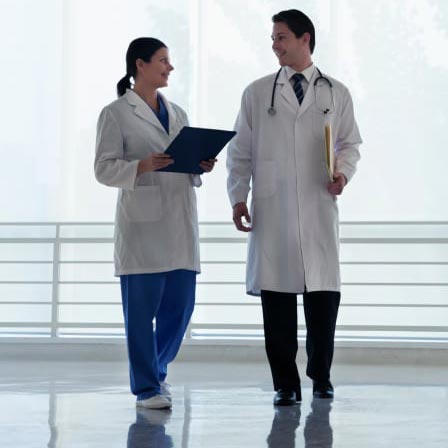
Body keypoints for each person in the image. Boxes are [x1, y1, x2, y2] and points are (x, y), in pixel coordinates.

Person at [227, 10, 362, 406]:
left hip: (319, 205)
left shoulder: (336, 92)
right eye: (273, 37)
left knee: (323, 301)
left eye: (282, 37)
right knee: (278, 305)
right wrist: (238, 197)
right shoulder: (256, 93)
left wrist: (344, 174)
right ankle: (285, 383)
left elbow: (350, 144)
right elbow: (240, 152)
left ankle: (321, 376)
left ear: (305, 39)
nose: (274, 44)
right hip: (274, 210)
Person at [95, 37, 215, 409]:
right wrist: (140, 166)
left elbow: (183, 161)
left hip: (178, 223)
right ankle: (146, 388)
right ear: (140, 65)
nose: (170, 67)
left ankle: (158, 369)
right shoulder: (115, 113)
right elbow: (103, 168)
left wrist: (200, 165)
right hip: (142, 230)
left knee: (180, 308)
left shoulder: (177, 112)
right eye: (163, 60)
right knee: (140, 315)